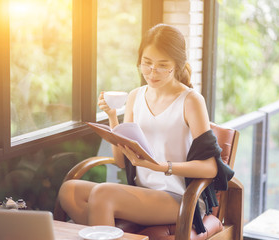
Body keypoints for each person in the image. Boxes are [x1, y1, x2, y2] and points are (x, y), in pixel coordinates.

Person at [58, 23, 221, 231]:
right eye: (146, 63)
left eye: (162, 65)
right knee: (69, 191)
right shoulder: (135, 96)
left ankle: (109, 233)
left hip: (179, 197)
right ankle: (113, 234)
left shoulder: (191, 101)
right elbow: (120, 160)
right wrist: (112, 118)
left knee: (103, 194)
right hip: (142, 192)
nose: (152, 72)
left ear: (178, 64)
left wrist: (161, 166)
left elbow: (211, 167)